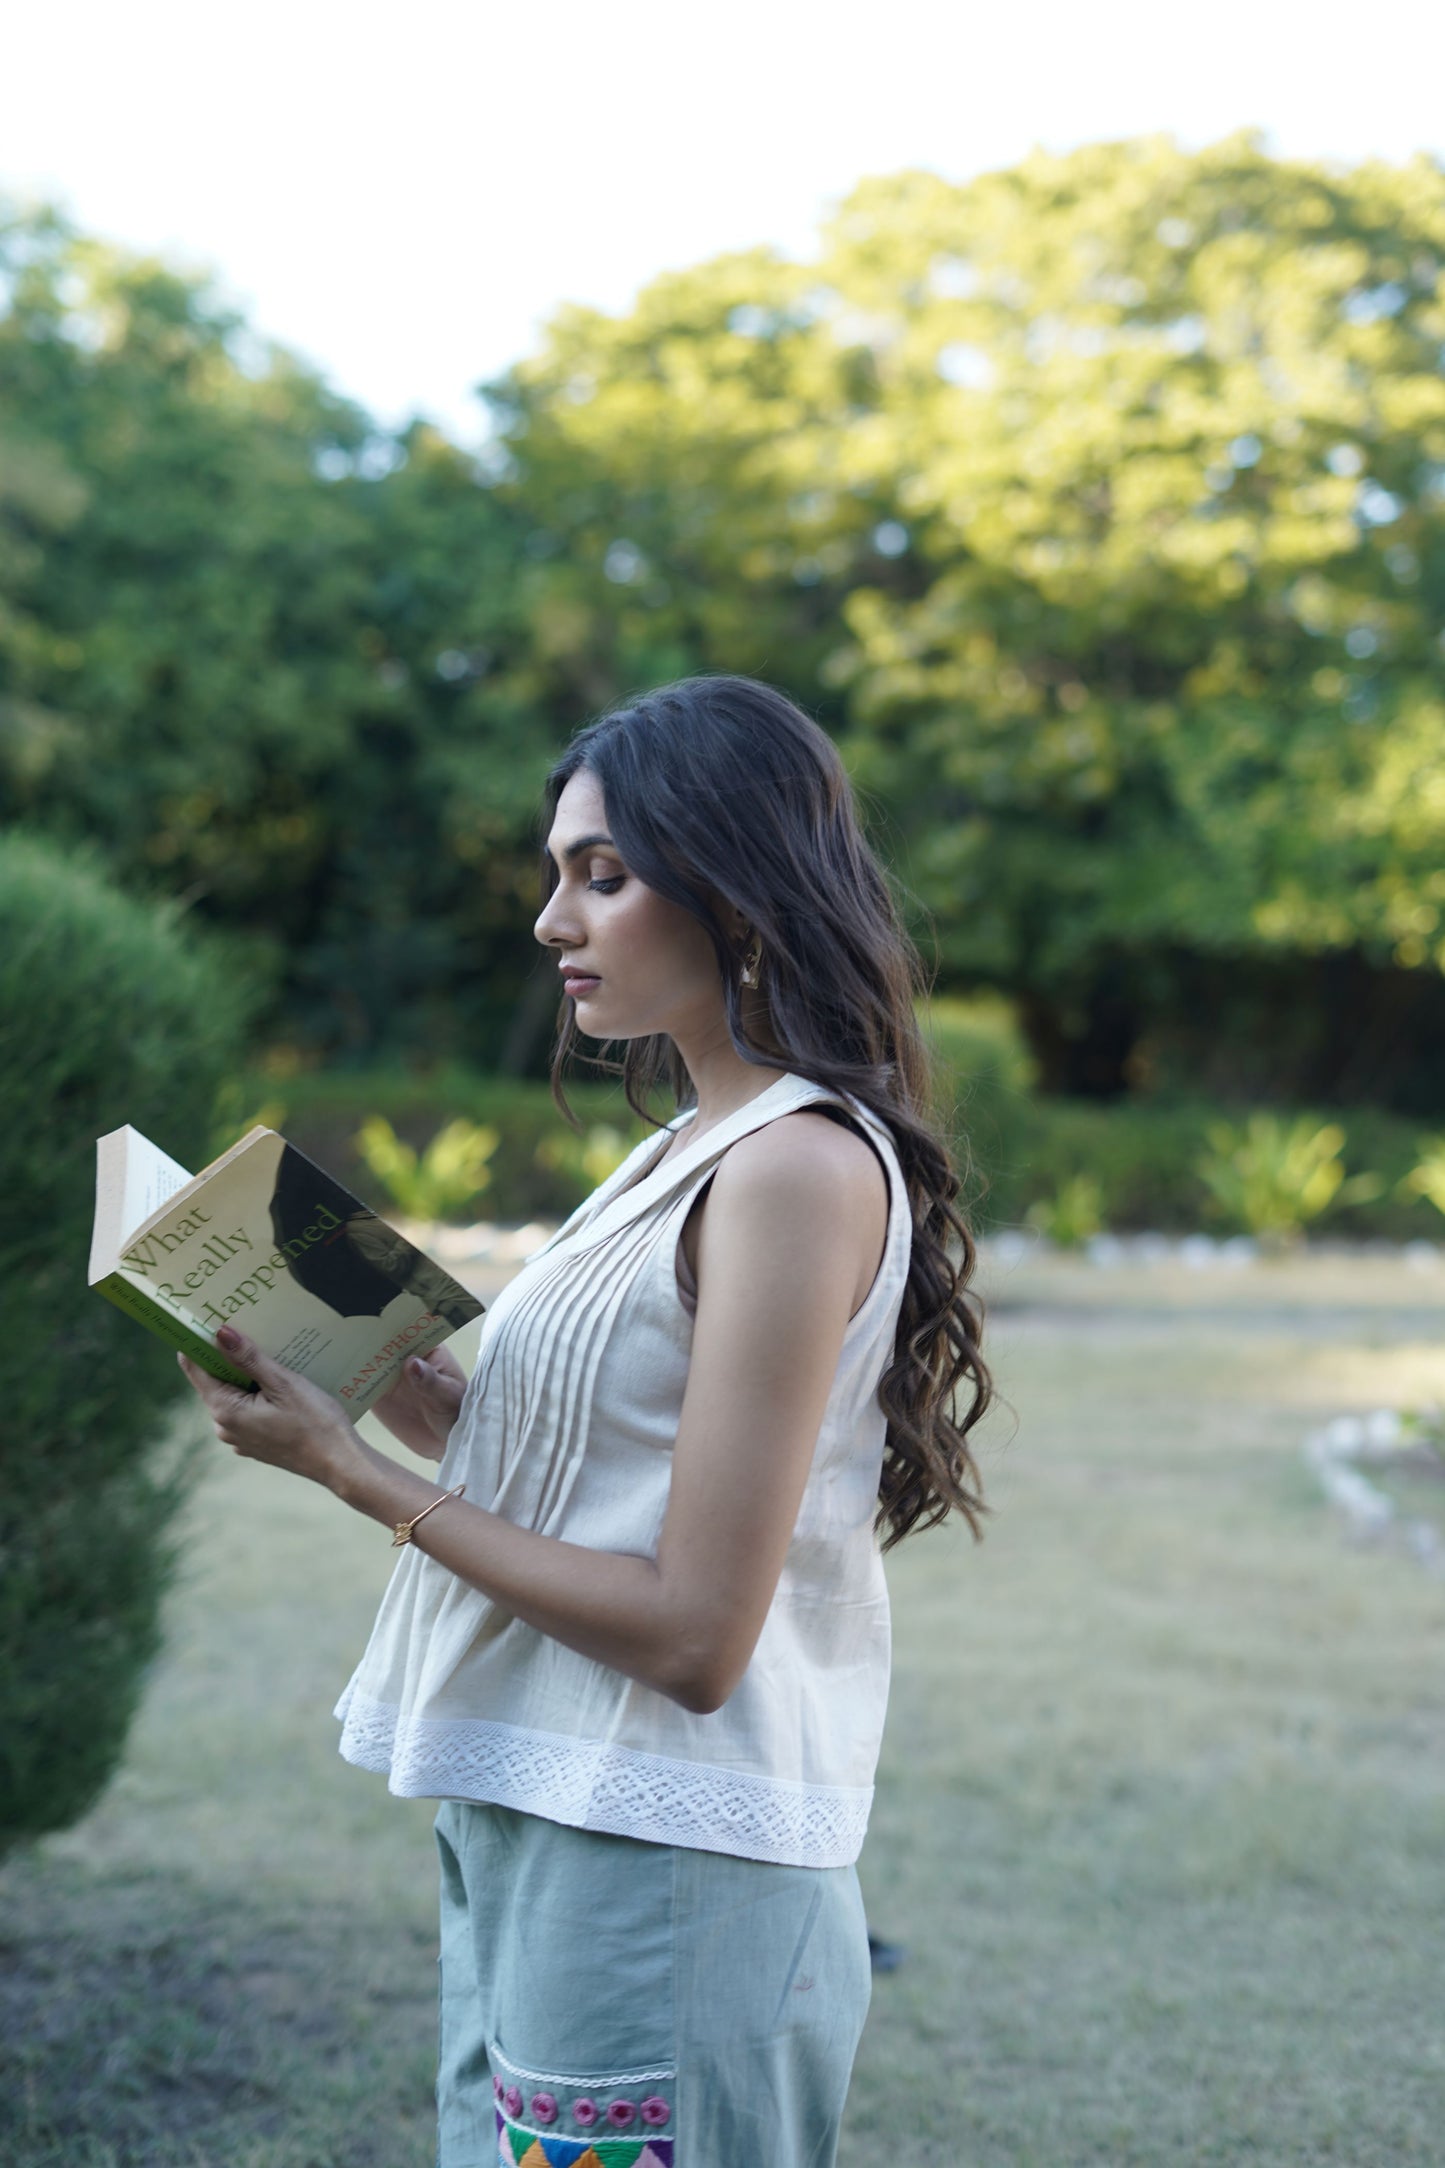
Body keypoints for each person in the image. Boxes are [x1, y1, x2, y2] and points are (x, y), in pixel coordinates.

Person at [179, 673, 993, 2168]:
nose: (554, 921)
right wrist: (374, 1375)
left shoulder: (793, 1170)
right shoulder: (685, 1145)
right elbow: (581, 1461)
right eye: (559, 876)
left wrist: (351, 1473)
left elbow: (694, 1633)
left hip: (663, 1859)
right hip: (538, 1809)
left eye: (601, 879)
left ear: (738, 894)